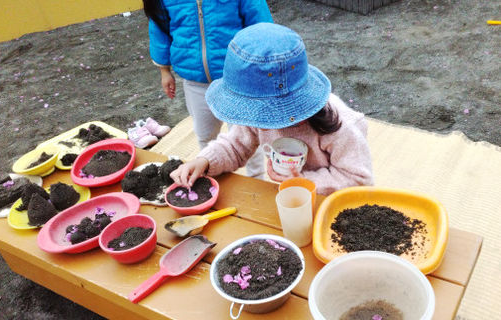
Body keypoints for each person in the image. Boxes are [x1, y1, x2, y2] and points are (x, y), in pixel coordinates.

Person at [170, 23, 374, 196]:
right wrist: (204, 161)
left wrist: (301, 181)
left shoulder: (342, 125)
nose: (262, 121)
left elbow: (358, 180)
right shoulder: (255, 115)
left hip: (332, 204)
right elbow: (235, 146)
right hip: (292, 195)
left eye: (270, 114)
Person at [142, 0, 273, 178]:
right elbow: (159, 29)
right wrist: (164, 71)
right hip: (195, 82)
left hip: (238, 80)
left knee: (246, 138)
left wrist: (264, 65)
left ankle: (257, 177)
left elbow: (261, 24)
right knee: (205, 134)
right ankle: (212, 175)